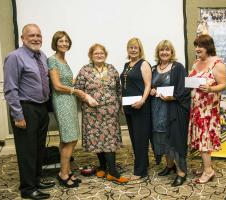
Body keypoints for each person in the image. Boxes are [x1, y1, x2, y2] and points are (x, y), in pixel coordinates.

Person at [3, 24, 55, 199]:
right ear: (23, 38)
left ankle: (36, 179)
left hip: (41, 108)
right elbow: (10, 89)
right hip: (25, 108)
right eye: (31, 35)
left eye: (38, 35)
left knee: (39, 148)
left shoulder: (42, 56)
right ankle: (27, 188)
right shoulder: (14, 57)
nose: (36, 38)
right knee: (27, 151)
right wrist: (18, 115)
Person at [75, 43, 129, 183]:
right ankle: (103, 167)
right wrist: (87, 98)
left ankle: (113, 172)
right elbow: (77, 90)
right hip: (92, 112)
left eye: (101, 53)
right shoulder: (85, 70)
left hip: (110, 111)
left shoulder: (112, 69)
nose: (99, 55)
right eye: (96, 53)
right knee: (97, 139)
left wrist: (120, 105)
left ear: (105, 55)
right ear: (91, 56)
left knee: (109, 140)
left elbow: (118, 89)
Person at [48, 31, 92, 188]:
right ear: (55, 43)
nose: (64, 43)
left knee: (66, 139)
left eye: (66, 41)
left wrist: (83, 81)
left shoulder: (63, 60)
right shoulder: (52, 60)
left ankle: (65, 170)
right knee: (71, 138)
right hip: (62, 101)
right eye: (61, 41)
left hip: (69, 101)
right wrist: (76, 91)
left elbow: (68, 81)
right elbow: (57, 85)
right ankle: (63, 174)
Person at [150, 40, 190, 186]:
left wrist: (172, 97)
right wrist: (152, 90)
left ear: (172, 52)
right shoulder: (154, 69)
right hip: (156, 110)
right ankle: (169, 165)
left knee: (176, 140)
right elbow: (150, 86)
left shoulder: (178, 67)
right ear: (158, 53)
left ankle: (181, 172)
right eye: (162, 50)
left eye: (167, 50)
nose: (164, 52)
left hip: (173, 109)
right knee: (163, 138)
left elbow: (185, 88)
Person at [188, 34, 226, 184]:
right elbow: (192, 81)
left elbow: (223, 85)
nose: (197, 49)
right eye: (196, 46)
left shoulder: (217, 64)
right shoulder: (196, 63)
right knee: (200, 139)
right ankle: (205, 166)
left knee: (205, 139)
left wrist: (210, 88)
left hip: (208, 111)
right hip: (196, 109)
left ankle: (208, 171)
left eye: (200, 46)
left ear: (208, 47)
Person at [120, 38, 152, 180]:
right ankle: (143, 164)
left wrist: (142, 101)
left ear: (140, 50)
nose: (133, 50)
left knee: (141, 139)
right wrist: (122, 104)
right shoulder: (127, 65)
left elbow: (148, 85)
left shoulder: (144, 64)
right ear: (127, 49)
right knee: (134, 139)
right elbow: (125, 86)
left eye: (136, 48)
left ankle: (140, 171)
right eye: (130, 47)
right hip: (128, 107)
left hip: (141, 107)